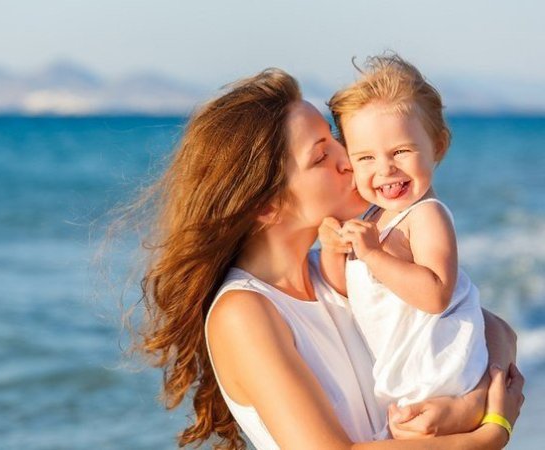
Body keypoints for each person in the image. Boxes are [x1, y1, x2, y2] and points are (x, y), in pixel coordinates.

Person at [128, 68, 523, 449]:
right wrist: (489, 435)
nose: (349, 159)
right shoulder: (244, 312)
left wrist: (471, 405)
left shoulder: (344, 270)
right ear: (266, 205)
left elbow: (494, 329)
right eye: (321, 156)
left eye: (336, 141)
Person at [320, 54, 488, 431]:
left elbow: (436, 294)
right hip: (402, 380)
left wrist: (373, 254)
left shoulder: (426, 215)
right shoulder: (371, 217)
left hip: (437, 374)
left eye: (400, 151)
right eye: (365, 157)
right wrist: (333, 249)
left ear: (438, 147)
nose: (385, 168)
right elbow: (345, 292)